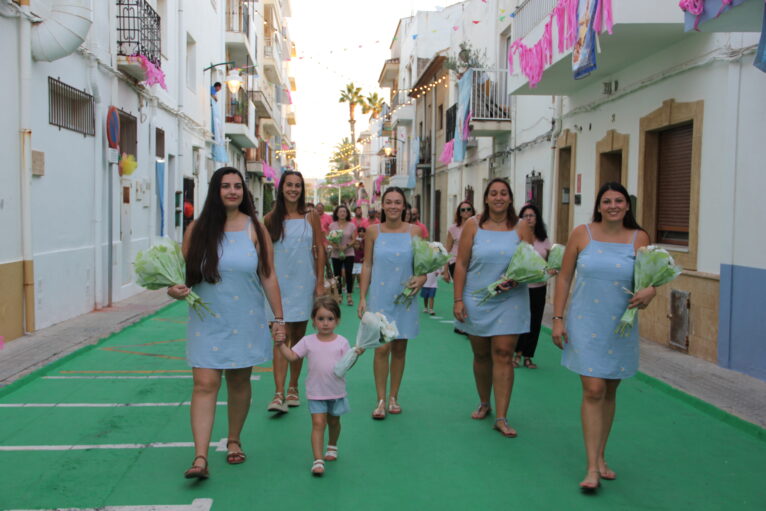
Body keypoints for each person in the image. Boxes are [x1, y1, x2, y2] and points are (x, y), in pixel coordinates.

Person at [167, 167, 285, 480]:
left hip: (245, 318)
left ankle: (234, 440)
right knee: (204, 384)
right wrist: (174, 289)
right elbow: (181, 276)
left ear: (244, 192)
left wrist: (279, 318)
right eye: (225, 186)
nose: (232, 191)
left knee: (237, 383)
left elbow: (268, 275)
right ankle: (200, 457)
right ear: (215, 191)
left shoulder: (255, 229)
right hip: (206, 319)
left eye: (237, 186)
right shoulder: (197, 230)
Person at [551, 182, 655, 492]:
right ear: (598, 205)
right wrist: (557, 319)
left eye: (618, 201)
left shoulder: (640, 239)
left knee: (609, 389)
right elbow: (565, 276)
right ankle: (591, 468)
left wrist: (651, 290)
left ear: (627, 206)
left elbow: (651, 278)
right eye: (607, 200)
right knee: (593, 388)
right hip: (585, 321)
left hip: (620, 324)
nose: (612, 205)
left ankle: (600, 455)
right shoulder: (582, 233)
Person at [453, 178, 533, 437]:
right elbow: (462, 264)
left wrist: (517, 278)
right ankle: (485, 402)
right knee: (481, 355)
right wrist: (458, 299)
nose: (498, 197)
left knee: (503, 353)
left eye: (504, 193)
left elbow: (528, 263)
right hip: (477, 298)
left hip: (511, 299)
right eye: (493, 193)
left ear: (510, 198)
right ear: (486, 199)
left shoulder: (521, 227)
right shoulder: (472, 225)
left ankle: (501, 416)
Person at [358, 187, 426, 419]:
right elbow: (367, 265)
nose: (393, 206)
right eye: (389, 202)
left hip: (406, 297)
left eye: (398, 202)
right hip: (380, 297)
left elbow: (423, 266)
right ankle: (380, 400)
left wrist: (423, 278)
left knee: (399, 348)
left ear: (404, 206)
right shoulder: (373, 232)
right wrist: (362, 297)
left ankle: (394, 396)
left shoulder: (416, 232)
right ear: (383, 205)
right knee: (381, 347)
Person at [275, 296, 359, 476]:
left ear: (337, 320)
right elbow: (292, 356)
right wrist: (280, 345)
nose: (325, 323)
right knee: (318, 423)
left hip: (336, 392)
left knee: (334, 422)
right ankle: (318, 459)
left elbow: (347, 365)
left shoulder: (342, 342)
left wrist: (355, 355)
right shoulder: (308, 341)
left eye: (330, 319)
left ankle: (332, 445)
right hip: (316, 392)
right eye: (321, 319)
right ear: (314, 320)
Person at [264, 170, 325, 414]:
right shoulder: (269, 219)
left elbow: (319, 249)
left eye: (298, 185)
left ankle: (293, 387)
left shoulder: (311, 217)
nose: (293, 189)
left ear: (302, 189)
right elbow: (263, 256)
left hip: (304, 282)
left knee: (298, 337)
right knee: (280, 337)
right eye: (289, 185)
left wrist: (319, 283)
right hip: (278, 284)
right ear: (281, 188)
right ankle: (278, 393)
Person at [514, 203, 554, 370]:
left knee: (535, 322)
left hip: (539, 287)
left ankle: (528, 356)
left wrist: (551, 270)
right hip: (521, 287)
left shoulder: (544, 241)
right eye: (525, 216)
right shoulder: (516, 239)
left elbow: (551, 263)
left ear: (537, 219)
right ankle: (516, 354)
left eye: (531, 215)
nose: (528, 218)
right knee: (520, 320)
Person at [329, 205, 357, 307]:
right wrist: (337, 247)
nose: (342, 213)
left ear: (347, 213)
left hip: (349, 253)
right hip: (336, 254)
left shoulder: (351, 225)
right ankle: (339, 295)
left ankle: (349, 295)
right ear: (336, 213)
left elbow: (354, 239)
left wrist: (346, 246)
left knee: (349, 273)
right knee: (337, 275)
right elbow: (330, 239)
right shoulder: (332, 225)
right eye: (340, 211)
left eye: (344, 212)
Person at [443, 200, 474, 282]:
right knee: (460, 288)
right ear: (459, 213)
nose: (466, 211)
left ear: (472, 211)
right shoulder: (453, 229)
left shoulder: (478, 228)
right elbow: (447, 250)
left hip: (473, 262)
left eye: (468, 209)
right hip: (456, 262)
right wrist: (445, 271)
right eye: (463, 210)